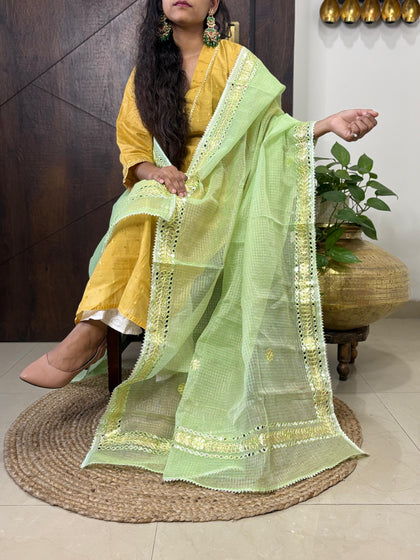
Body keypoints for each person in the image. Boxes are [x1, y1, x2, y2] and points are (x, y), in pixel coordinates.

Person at [20, 0, 378, 493]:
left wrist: (325, 124)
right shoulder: (147, 71)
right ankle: (92, 332)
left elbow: (270, 133)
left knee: (152, 211)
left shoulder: (237, 62)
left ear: (213, 5)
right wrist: (157, 171)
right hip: (166, 185)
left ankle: (87, 335)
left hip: (226, 192)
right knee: (145, 205)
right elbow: (133, 147)